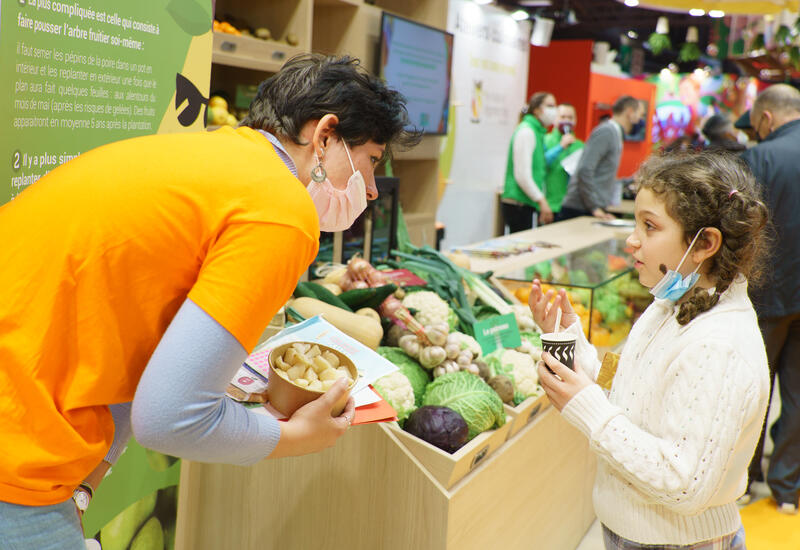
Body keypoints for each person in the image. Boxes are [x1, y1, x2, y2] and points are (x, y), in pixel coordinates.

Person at [0, 54, 419, 549]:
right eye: (371, 160)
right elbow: (170, 419)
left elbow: (132, 348)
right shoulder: (279, 210)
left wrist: (86, 485)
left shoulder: (214, 160)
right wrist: (294, 438)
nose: (371, 189)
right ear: (325, 135)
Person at [530, 151, 770, 548]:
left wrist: (589, 409)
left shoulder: (719, 346)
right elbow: (631, 386)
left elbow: (683, 484)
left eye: (650, 226)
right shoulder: (671, 304)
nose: (632, 239)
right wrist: (570, 338)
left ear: (705, 242)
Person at [739, 83, 800, 513]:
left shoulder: (760, 157)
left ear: (766, 118)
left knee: (751, 389)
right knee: (799, 394)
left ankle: (742, 478)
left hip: (767, 295)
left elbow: (739, 226)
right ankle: (788, 489)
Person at [558, 96, 644, 221]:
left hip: (589, 209)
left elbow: (603, 176)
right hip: (580, 210)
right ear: (629, 112)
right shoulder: (607, 131)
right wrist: (594, 208)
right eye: (640, 115)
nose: (640, 120)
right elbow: (585, 169)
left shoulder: (615, 134)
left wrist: (630, 180)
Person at [501, 92, 558, 232]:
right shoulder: (527, 132)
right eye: (550, 106)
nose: (554, 110)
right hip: (518, 204)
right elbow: (522, 175)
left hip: (526, 203)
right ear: (537, 110)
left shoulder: (537, 132)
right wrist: (541, 200)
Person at [542, 103, 583, 216]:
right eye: (563, 117)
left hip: (571, 206)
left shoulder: (580, 146)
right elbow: (541, 165)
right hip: (549, 205)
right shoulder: (545, 140)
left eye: (570, 118)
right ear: (555, 119)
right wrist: (561, 146)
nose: (566, 121)